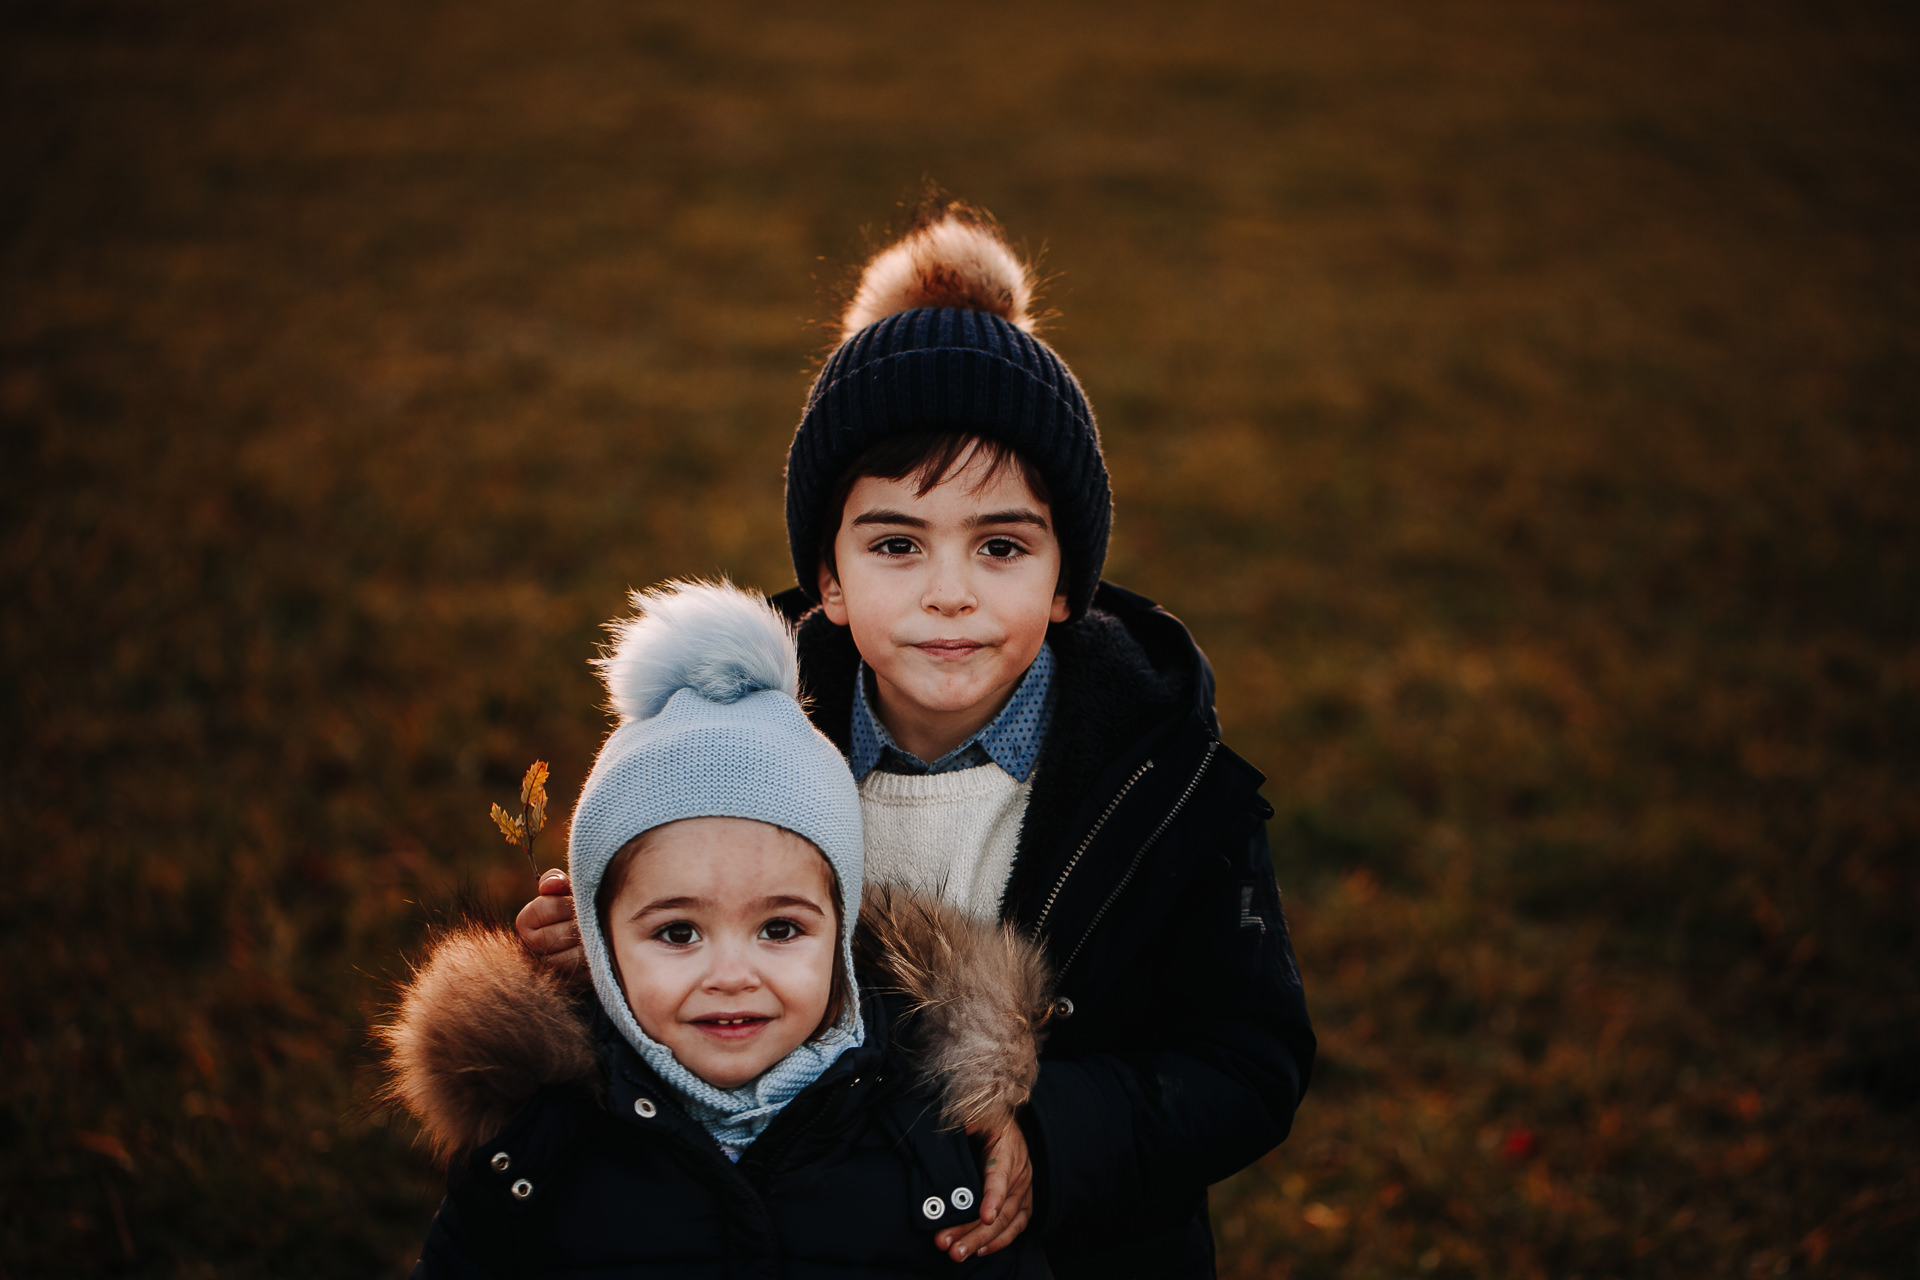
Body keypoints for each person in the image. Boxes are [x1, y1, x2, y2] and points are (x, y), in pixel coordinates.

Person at [518, 201, 1317, 1278]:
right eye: (897, 543)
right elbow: (684, 955)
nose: (950, 594)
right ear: (830, 581)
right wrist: (606, 954)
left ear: (1068, 580)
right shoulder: (725, 752)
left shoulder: (1162, 783)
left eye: (1000, 545)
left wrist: (1053, 1133)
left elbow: (1245, 1058)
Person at [384, 580, 1053, 1277]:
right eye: (678, 934)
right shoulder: (536, 1147)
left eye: (781, 929)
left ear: (842, 937)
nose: (732, 976)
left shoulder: (935, 1127)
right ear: (598, 943)